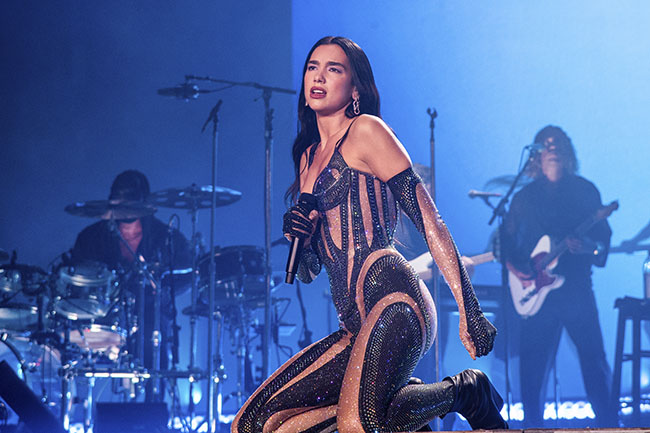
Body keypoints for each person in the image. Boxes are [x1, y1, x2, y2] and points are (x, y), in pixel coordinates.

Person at [232, 36, 507, 433]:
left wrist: (470, 309)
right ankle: (400, 404)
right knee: (254, 424)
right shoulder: (308, 158)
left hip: (396, 299)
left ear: (356, 87)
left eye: (334, 69)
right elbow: (309, 272)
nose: (319, 77)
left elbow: (430, 221)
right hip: (355, 326)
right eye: (312, 67)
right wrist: (303, 236)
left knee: (359, 423)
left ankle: (465, 391)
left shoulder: (367, 131)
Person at [501, 125, 616, 427]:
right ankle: (532, 427)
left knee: (594, 362)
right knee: (532, 370)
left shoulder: (585, 191)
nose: (552, 148)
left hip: (576, 289)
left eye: (558, 143)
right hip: (536, 294)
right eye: (545, 144)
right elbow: (506, 242)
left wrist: (588, 248)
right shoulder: (524, 197)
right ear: (536, 155)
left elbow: (602, 242)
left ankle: (610, 426)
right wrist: (518, 270)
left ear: (567, 152)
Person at [70, 169, 191, 401]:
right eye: (119, 200)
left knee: (153, 337)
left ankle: (152, 408)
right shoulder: (90, 237)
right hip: (103, 315)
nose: (124, 205)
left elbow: (186, 275)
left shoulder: (167, 237)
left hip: (150, 316)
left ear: (143, 202)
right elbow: (77, 280)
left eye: (130, 200)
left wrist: (162, 285)